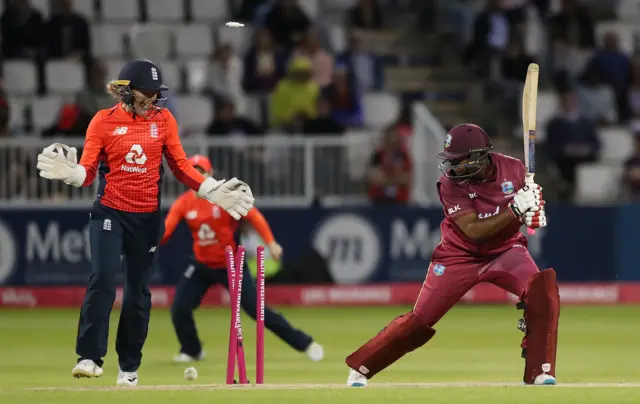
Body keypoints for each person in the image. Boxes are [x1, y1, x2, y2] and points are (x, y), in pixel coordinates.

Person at [35, 58, 255, 387]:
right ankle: (90, 357)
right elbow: (87, 172)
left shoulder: (164, 120)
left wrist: (212, 191)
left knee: (137, 292)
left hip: (147, 218)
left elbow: (181, 167)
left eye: (155, 93)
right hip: (110, 213)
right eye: (145, 93)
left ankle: (128, 367)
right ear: (125, 91)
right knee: (104, 278)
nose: (151, 100)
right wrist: (71, 173)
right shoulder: (102, 121)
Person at [344, 124, 558, 387]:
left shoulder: (514, 169)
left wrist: (533, 214)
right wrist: (515, 210)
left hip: (505, 250)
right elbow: (473, 231)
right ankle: (362, 368)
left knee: (541, 290)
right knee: (419, 321)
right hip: (459, 255)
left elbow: (528, 212)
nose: (453, 168)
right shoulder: (449, 185)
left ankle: (540, 370)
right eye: (451, 161)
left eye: (459, 161)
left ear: (481, 156)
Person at [162, 155, 324, 363]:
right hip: (201, 264)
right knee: (179, 309)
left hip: (231, 264)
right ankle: (192, 350)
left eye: (200, 172)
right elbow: (166, 232)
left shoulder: (225, 196)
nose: (196, 177)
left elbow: (254, 216)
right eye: (192, 173)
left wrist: (271, 243)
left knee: (257, 311)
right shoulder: (183, 203)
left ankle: (306, 343)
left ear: (210, 175)